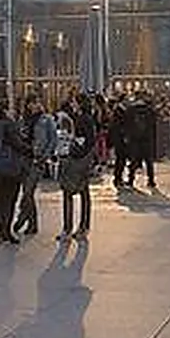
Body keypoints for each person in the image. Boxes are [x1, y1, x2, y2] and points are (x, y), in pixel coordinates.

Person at [0, 101, 32, 244]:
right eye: (11, 108)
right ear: (6, 111)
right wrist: (31, 150)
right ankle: (6, 231)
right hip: (10, 167)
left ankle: (0, 230)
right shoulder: (9, 125)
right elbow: (17, 144)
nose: (13, 111)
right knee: (10, 199)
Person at [14, 94, 55, 236]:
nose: (34, 105)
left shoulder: (46, 119)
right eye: (31, 103)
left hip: (38, 160)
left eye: (37, 102)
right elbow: (19, 137)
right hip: (24, 158)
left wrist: (45, 156)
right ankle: (33, 225)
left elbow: (52, 139)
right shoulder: (23, 120)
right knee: (28, 193)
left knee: (28, 192)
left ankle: (22, 217)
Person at [56, 96, 96, 240]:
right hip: (79, 159)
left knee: (73, 192)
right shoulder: (81, 118)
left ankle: (72, 228)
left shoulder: (84, 119)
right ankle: (79, 227)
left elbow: (87, 141)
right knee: (81, 193)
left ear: (79, 104)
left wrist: (75, 148)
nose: (73, 104)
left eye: (74, 102)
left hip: (78, 160)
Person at [124, 89, 158, 189]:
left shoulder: (130, 109)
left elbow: (127, 124)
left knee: (133, 160)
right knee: (149, 160)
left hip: (134, 138)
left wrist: (127, 136)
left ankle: (131, 179)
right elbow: (153, 125)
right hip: (147, 138)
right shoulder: (149, 110)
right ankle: (151, 180)